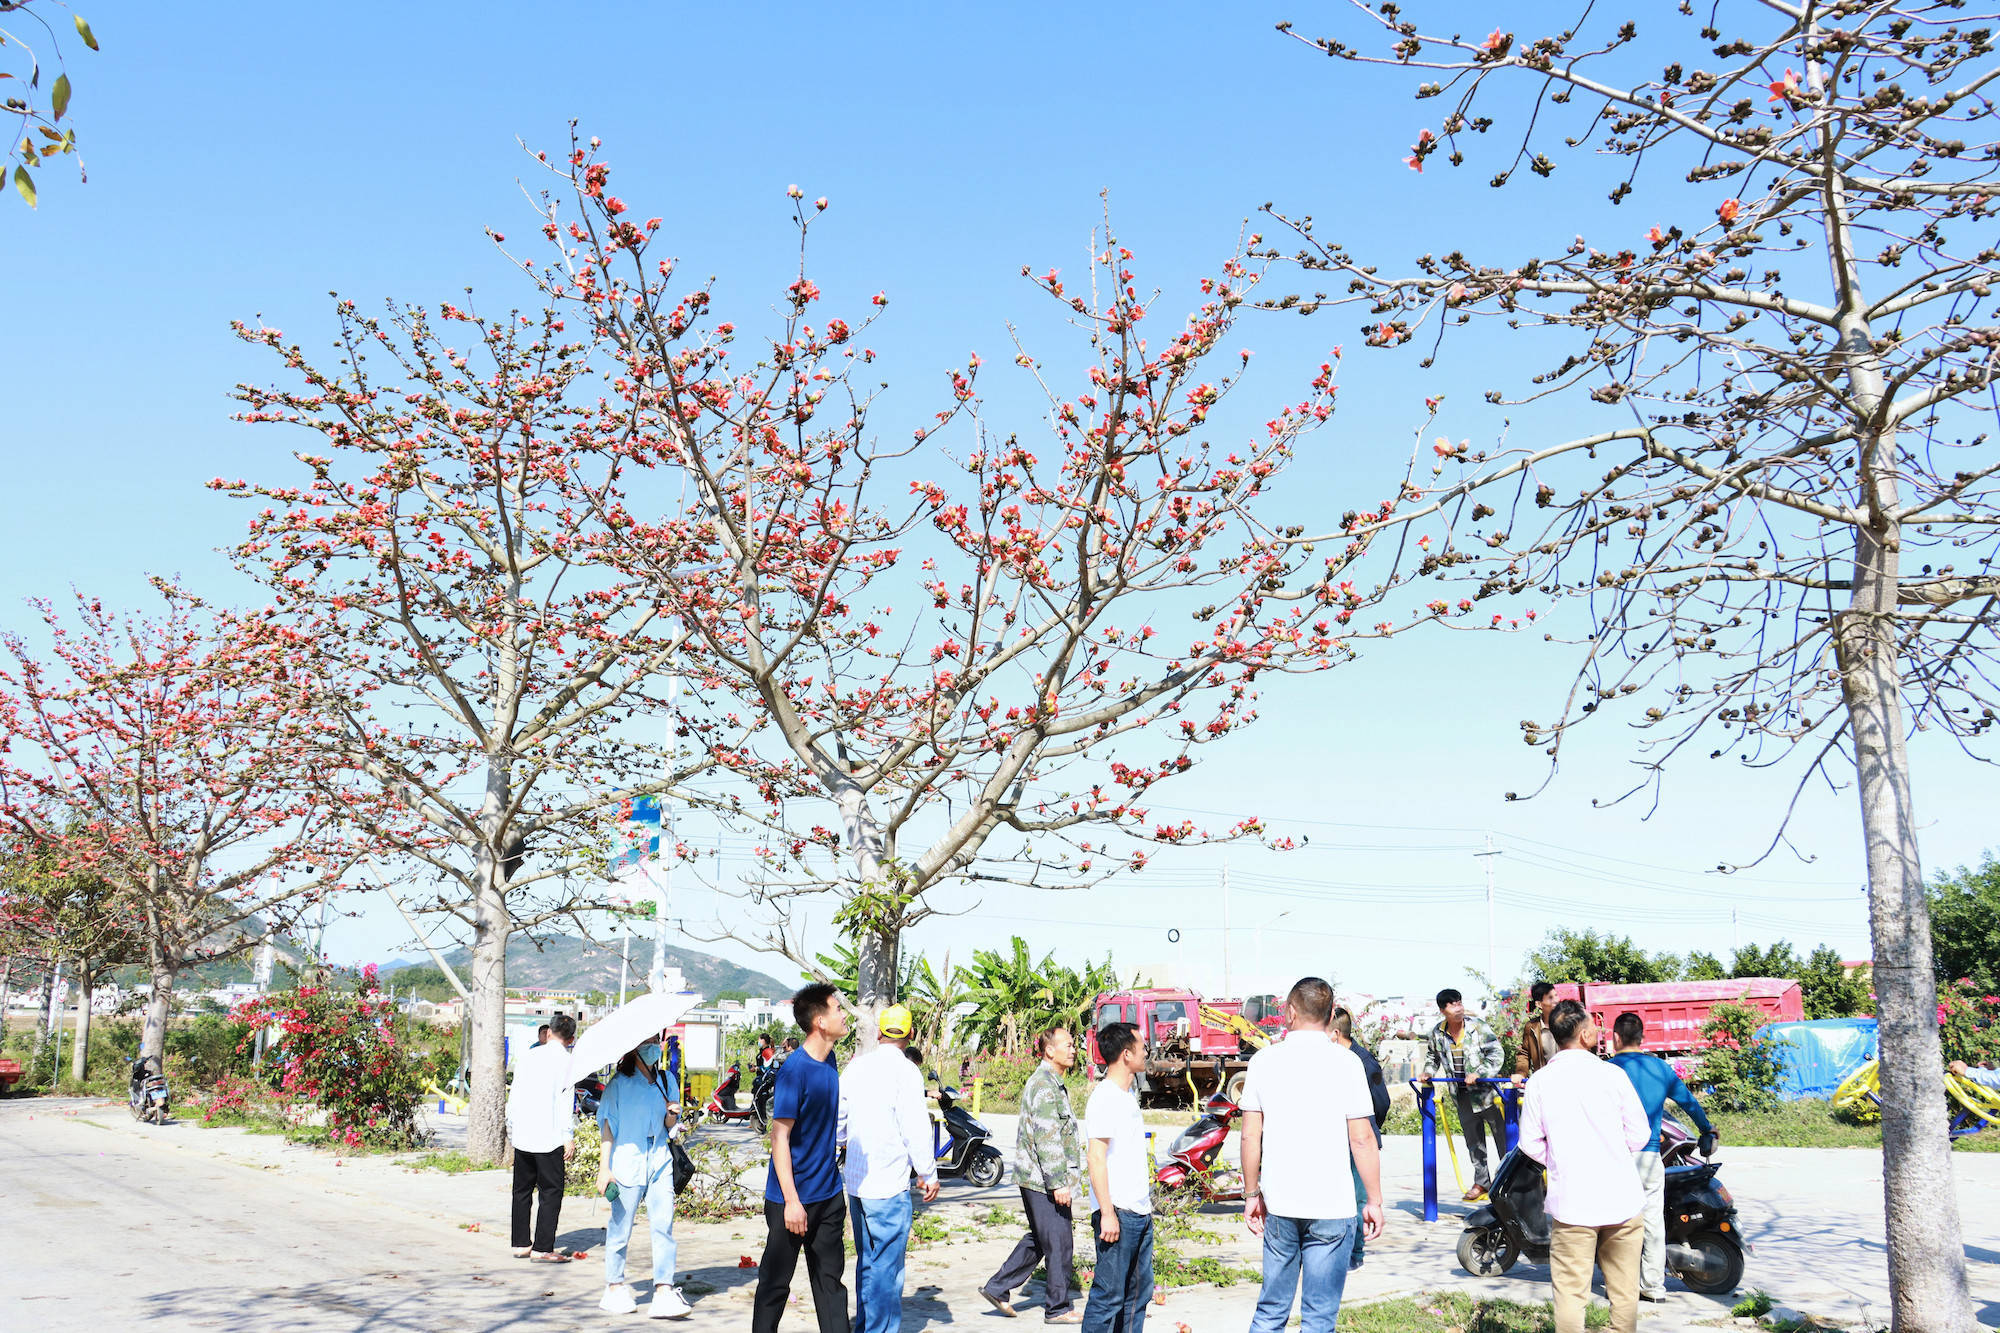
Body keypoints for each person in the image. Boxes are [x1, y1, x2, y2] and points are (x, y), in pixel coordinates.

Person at [1241, 979, 1383, 1332]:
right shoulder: (1348, 1063)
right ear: (1331, 1014)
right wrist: (1375, 1200)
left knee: (1271, 1311)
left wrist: (1251, 1193)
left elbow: (1249, 1134)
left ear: (1289, 1012)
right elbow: (1362, 1138)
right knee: (1320, 1317)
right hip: (1332, 1207)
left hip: (1280, 1205)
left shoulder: (1263, 1061)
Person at [1519, 1000, 1649, 1333]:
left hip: (1573, 1204)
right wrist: (1612, 1155)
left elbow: (1530, 1144)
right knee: (1624, 1294)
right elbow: (1640, 1134)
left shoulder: (1540, 1082)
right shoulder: (1613, 1075)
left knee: (1570, 1297)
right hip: (1622, 1200)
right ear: (1587, 1034)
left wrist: (1562, 1161)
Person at [753, 983, 851, 1333]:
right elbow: (779, 1138)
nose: (843, 1014)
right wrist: (793, 1202)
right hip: (789, 1200)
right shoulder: (794, 1070)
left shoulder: (831, 1060)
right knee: (775, 1286)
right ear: (820, 1021)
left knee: (831, 1286)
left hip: (827, 1195)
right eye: (837, 1008)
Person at [838, 1005, 940, 1333]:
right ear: (910, 1035)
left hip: (856, 1182)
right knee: (887, 1266)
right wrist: (927, 1172)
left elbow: (839, 1119)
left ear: (879, 1033)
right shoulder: (908, 1072)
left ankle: (866, 1325)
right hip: (889, 1184)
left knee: (867, 1261)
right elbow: (915, 1128)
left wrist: (844, 1142)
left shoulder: (856, 1067)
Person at [1607, 1011, 1716, 1304]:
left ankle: (1620, 1285)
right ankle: (1653, 1286)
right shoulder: (1661, 1069)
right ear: (1642, 1038)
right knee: (1653, 1222)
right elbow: (1690, 1104)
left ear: (1615, 1037)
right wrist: (1707, 1128)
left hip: (1614, 1158)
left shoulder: (1606, 1070)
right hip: (1650, 1157)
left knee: (1616, 1223)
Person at [982, 1025, 1087, 1323]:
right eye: (1067, 1044)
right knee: (1059, 1242)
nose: (1072, 1049)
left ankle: (998, 1287)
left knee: (1043, 1239)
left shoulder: (1053, 1082)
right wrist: (1058, 1183)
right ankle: (1058, 1308)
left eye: (1073, 1044)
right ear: (1049, 1050)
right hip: (1043, 1180)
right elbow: (1047, 1137)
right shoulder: (1044, 1085)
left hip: (1037, 1178)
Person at [596, 1031, 690, 1318]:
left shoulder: (666, 1080)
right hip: (627, 1160)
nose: (653, 1047)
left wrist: (673, 1115)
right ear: (633, 1047)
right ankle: (614, 1285)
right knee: (621, 1227)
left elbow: (669, 1125)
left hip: (660, 1159)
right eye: (646, 1042)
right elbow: (608, 1128)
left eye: (654, 1042)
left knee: (663, 1225)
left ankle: (664, 1288)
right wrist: (604, 1168)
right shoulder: (618, 1085)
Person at [1081, 1021, 1153, 1333]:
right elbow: (1095, 1157)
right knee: (1108, 1296)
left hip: (1139, 1211)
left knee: (1137, 1296)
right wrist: (1107, 1213)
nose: (1146, 1052)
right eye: (1142, 1047)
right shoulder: (1105, 1097)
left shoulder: (1126, 1096)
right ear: (1126, 1054)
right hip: (1118, 1213)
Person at [1420, 987, 1508, 1200]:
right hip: (1461, 1095)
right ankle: (1482, 1182)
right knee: (1474, 1142)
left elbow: (1496, 1053)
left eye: (1459, 1002)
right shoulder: (1437, 1033)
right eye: (1452, 1004)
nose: (1458, 1007)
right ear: (1443, 1010)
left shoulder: (1478, 1027)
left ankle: (1510, 1181)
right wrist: (1428, 1072)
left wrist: (1480, 1073)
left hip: (1488, 1094)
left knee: (1503, 1139)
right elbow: (1433, 1057)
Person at [505, 1012, 577, 1262]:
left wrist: (511, 1125)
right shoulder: (568, 1062)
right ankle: (543, 1247)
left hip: (524, 1132)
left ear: (548, 1033)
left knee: (521, 1190)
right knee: (551, 1191)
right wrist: (568, 1136)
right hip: (549, 1135)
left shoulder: (528, 1055)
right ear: (571, 1038)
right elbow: (565, 1102)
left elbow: (514, 1093)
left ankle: (520, 1243)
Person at [1329, 1008, 1391, 1272]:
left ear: (1334, 1034)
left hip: (1359, 1140)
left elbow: (1382, 1103)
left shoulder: (1363, 1063)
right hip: (1339, 1138)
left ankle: (1355, 1254)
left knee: (1356, 1200)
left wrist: (1366, 1132)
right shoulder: (1336, 1059)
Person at [1513, 982, 1558, 1085]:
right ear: (1539, 1004)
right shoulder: (1531, 1027)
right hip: (1544, 1084)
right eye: (1550, 998)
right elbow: (1524, 1053)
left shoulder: (1569, 1022)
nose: (1556, 1000)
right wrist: (1520, 1073)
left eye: (1556, 995)